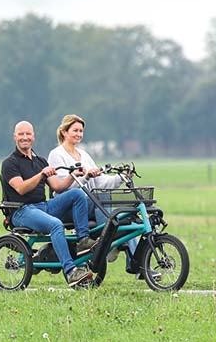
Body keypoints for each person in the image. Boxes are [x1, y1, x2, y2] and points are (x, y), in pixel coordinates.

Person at [46, 114, 144, 278]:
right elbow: (63, 187)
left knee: (120, 214)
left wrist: (121, 178)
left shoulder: (84, 155)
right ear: (64, 132)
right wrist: (86, 177)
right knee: (103, 205)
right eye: (75, 130)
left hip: (89, 203)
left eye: (81, 131)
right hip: (68, 205)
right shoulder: (56, 154)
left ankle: (137, 265)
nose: (78, 134)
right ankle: (110, 244)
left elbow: (101, 182)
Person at [1, 120, 97, 287]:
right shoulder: (10, 163)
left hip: (43, 206)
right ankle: (71, 271)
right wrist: (41, 175)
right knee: (55, 224)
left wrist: (73, 175)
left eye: (28, 134)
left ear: (33, 137)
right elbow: (21, 189)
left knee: (77, 194)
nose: (25, 137)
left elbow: (57, 187)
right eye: (21, 134)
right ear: (15, 137)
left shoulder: (40, 161)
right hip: (22, 211)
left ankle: (83, 241)